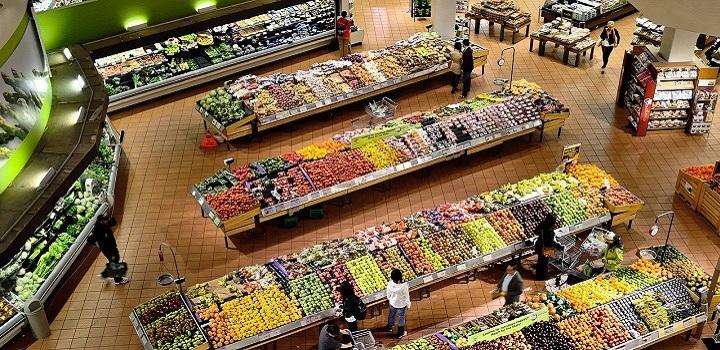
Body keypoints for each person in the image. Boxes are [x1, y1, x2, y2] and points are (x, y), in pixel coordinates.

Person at [87, 214, 129, 285]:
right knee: (115, 262)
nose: (107, 220)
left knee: (114, 261)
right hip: (109, 250)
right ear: (102, 221)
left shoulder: (101, 226)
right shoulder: (99, 230)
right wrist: (111, 253)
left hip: (110, 248)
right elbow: (102, 243)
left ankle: (104, 275)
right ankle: (118, 280)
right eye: (106, 219)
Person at [534, 213, 564, 280]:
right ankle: (542, 277)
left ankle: (538, 275)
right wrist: (559, 246)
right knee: (544, 263)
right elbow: (550, 243)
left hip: (539, 245)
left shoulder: (542, 224)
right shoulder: (550, 231)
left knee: (540, 261)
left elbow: (536, 231)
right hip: (546, 249)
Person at [385, 269, 410, 339]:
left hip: (392, 303)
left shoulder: (389, 284)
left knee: (392, 314)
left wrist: (390, 299)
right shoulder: (404, 286)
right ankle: (400, 333)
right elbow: (406, 296)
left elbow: (388, 295)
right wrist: (408, 304)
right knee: (401, 317)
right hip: (401, 304)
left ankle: (389, 327)